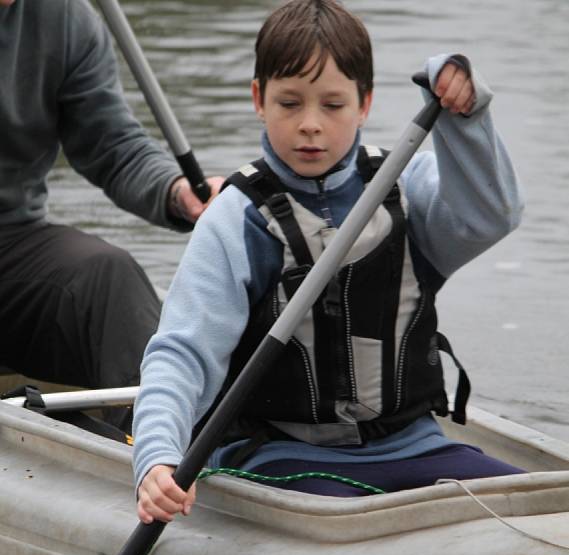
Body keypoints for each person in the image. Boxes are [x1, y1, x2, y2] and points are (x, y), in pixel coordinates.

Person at [133, 0, 524, 523]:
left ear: (364, 105)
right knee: (347, 521)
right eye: (289, 103)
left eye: (333, 105)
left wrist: (467, 116)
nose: (310, 126)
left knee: (536, 508)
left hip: (414, 447)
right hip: (283, 455)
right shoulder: (237, 219)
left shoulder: (406, 187)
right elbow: (183, 353)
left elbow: (493, 214)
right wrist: (157, 456)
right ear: (258, 100)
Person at [0, 0, 222, 430]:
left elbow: (113, 145)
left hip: (14, 244)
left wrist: (178, 192)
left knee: (109, 275)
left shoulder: (67, 18)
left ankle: (162, 448)